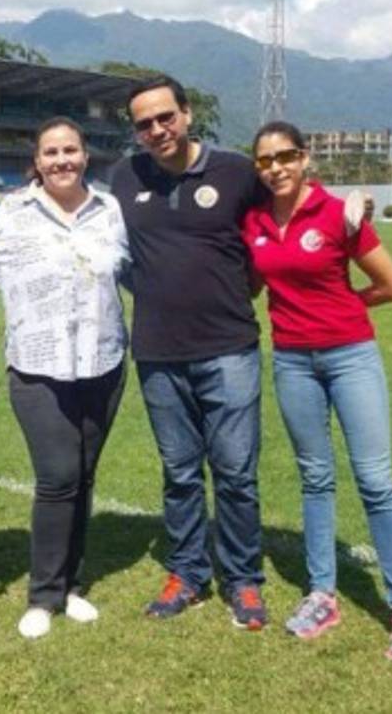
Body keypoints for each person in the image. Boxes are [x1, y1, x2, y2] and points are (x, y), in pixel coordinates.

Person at [241, 120, 392, 665]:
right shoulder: (252, 220)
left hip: (350, 358)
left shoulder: (337, 213)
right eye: (265, 160)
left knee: (374, 480)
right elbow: (252, 283)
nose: (276, 167)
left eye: (286, 156)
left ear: (305, 159)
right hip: (293, 362)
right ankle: (322, 595)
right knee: (315, 478)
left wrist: (345, 309)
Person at [109, 75, 271, 630]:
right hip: (157, 353)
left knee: (236, 474)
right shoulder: (124, 178)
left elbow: (285, 214)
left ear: (187, 113)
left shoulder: (235, 172)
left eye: (165, 117)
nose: (157, 130)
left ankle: (244, 580)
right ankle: (187, 573)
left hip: (229, 348)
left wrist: (352, 205)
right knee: (179, 473)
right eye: (144, 123)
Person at [0, 116, 130, 639]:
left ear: (85, 155)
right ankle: (43, 596)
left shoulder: (110, 209)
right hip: (38, 367)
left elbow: (139, 270)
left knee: (85, 477)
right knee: (58, 477)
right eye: (51, 152)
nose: (62, 160)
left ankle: (71, 584)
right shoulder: (9, 214)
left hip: (104, 362)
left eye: (71, 150)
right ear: (37, 159)